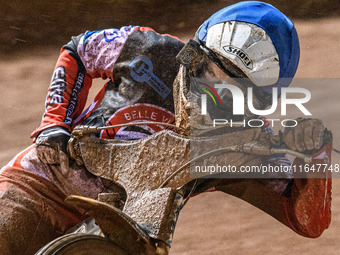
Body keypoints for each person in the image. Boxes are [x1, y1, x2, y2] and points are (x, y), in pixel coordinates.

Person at [0, 1, 332, 254]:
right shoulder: (147, 48)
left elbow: (307, 219)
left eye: (232, 92)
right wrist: (54, 126)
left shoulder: (247, 141)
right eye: (210, 73)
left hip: (125, 229)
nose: (212, 93)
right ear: (193, 56)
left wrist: (316, 158)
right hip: (42, 180)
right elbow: (80, 49)